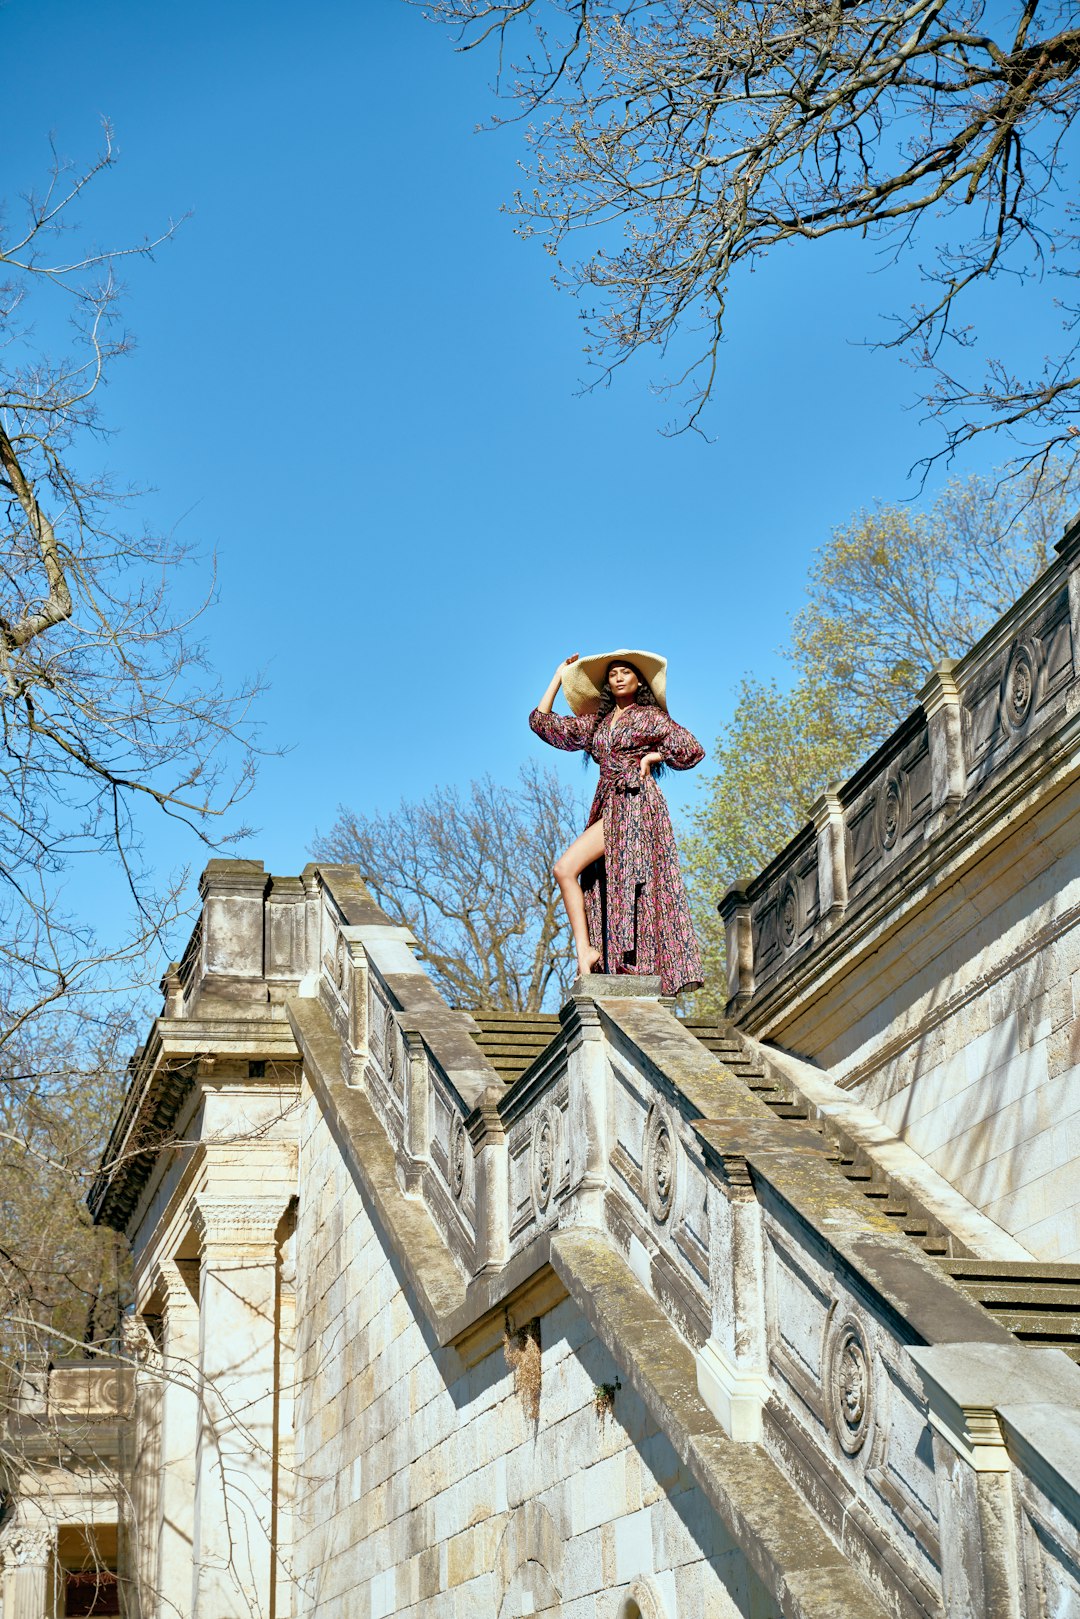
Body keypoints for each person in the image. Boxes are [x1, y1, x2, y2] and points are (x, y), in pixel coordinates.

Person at [530, 649, 705, 996]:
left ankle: (623, 959)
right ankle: (586, 950)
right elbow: (542, 723)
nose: (620, 677)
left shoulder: (650, 717)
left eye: (626, 672)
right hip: (610, 805)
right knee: (569, 871)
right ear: (607, 684)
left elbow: (691, 749)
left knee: (611, 880)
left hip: (638, 805)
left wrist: (655, 755)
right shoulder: (596, 722)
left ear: (639, 680)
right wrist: (556, 677)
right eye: (613, 674)